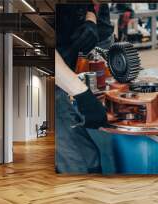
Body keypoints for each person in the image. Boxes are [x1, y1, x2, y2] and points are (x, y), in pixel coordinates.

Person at [55, 4, 115, 174]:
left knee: (90, 157)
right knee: (79, 162)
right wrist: (82, 94)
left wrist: (91, 21)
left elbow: (89, 5)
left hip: (63, 71)